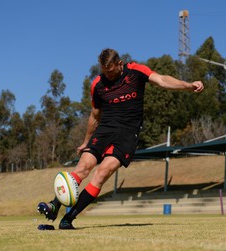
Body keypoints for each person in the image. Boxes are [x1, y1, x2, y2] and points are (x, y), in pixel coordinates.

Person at [37, 48, 204, 229]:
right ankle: (54, 205)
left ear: (119, 64)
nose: (106, 75)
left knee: (102, 173)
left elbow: (162, 80)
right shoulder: (98, 84)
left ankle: (68, 219)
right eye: (103, 71)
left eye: (110, 71)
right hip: (105, 130)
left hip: (127, 134)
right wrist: (86, 141)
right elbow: (94, 116)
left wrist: (188, 85)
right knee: (83, 166)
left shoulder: (136, 71)